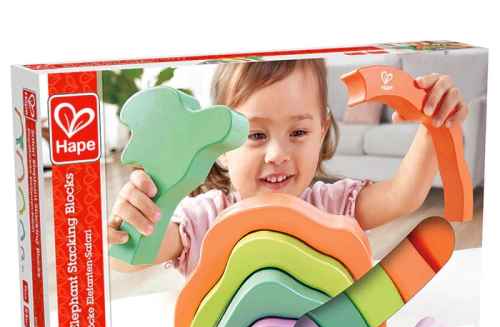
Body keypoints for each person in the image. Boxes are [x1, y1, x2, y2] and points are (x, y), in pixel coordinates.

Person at [108, 59, 468, 277]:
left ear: (321, 132)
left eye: (298, 132)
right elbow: (129, 261)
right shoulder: (202, 219)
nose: (277, 154)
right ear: (220, 148)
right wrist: (135, 219)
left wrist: (433, 123)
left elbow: (403, 196)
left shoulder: (332, 206)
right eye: (255, 135)